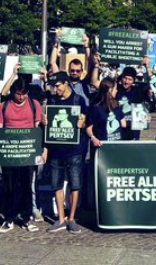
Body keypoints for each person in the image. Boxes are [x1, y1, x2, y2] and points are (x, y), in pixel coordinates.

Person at [0, 77, 44, 233]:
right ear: (13, 92)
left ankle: (26, 218)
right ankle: (9, 218)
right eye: (18, 94)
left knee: (27, 186)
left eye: (24, 94)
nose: (21, 97)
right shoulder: (4, 106)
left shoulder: (34, 105)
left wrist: (42, 150)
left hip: (27, 152)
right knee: (9, 187)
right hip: (9, 152)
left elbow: (37, 128)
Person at [44, 72, 89, 234]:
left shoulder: (79, 100)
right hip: (56, 149)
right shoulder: (52, 100)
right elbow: (47, 123)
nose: (55, 89)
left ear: (66, 84)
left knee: (75, 183)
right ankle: (61, 219)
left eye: (57, 86)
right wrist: (45, 122)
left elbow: (85, 123)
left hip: (74, 149)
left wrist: (82, 124)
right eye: (53, 86)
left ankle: (72, 218)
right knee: (56, 183)